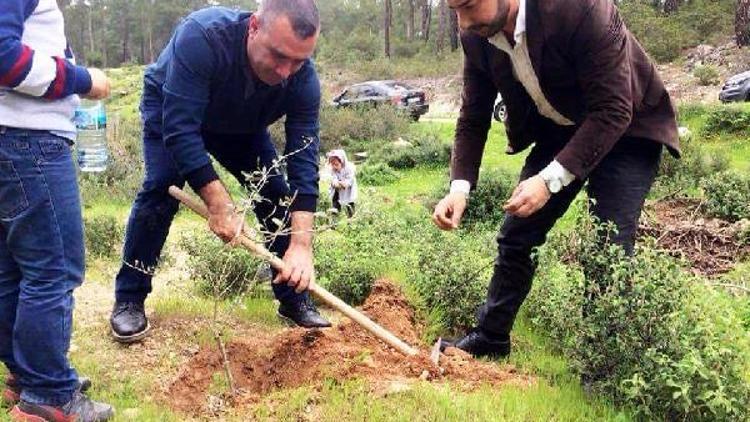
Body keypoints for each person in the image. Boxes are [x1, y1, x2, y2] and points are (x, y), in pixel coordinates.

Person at [433, 0, 679, 358]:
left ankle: (602, 361)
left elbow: (614, 110)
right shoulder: (476, 35)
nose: (463, 22)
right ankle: (491, 338)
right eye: (454, 9)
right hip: (563, 125)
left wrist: (548, 182)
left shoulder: (580, 7)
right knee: (517, 233)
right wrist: (459, 188)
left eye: (469, 6)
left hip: (629, 126)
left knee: (608, 248)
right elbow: (473, 115)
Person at [110, 0, 331, 344]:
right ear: (254, 27)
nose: (287, 71)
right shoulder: (202, 36)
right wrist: (218, 202)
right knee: (161, 188)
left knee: (274, 194)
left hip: (240, 125)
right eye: (278, 56)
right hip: (173, 109)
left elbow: (302, 159)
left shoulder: (302, 78)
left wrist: (302, 245)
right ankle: (129, 298)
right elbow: (181, 129)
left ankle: (293, 299)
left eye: (298, 60)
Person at [0, 0, 114, 420]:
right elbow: (4, 57)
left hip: (10, 141)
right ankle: (47, 394)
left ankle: (28, 373)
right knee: (54, 267)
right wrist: (84, 80)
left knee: (11, 268)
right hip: (29, 141)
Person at [327, 149, 357, 217]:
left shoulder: (349, 168)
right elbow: (333, 178)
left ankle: (351, 219)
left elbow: (350, 180)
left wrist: (345, 183)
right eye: (332, 164)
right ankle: (334, 219)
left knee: (350, 204)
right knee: (335, 203)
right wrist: (335, 183)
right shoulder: (333, 169)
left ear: (342, 162)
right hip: (337, 189)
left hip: (348, 189)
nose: (334, 166)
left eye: (336, 164)